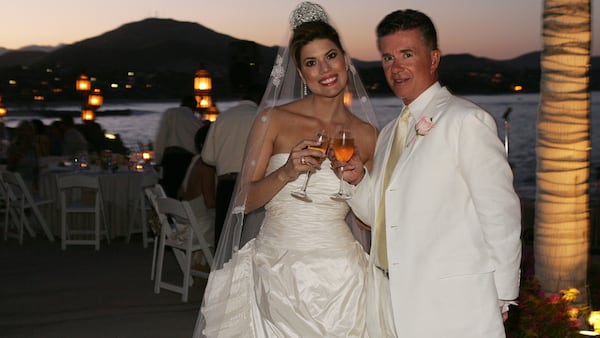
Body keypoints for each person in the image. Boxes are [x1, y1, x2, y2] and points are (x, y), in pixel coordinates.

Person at [193, 2, 378, 337]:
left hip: (342, 273)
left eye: (330, 56)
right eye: (311, 62)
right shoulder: (273, 120)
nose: (325, 69)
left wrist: (356, 181)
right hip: (275, 268)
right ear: (301, 73)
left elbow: (367, 221)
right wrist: (285, 173)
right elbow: (242, 202)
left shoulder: (366, 135)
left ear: (345, 59)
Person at [337, 9, 522, 337]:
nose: (396, 67)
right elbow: (377, 217)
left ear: (433, 58)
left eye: (407, 54)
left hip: (448, 304)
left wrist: (503, 294)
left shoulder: (466, 121)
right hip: (386, 298)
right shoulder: (389, 133)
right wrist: (357, 181)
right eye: (388, 57)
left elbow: (500, 215)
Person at [201, 84, 262, 248]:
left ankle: (223, 272)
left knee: (225, 241)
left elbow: (207, 157)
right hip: (254, 185)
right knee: (251, 241)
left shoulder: (222, 118)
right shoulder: (262, 118)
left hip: (226, 185)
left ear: (241, 98)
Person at [154, 95, 202, 198]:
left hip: (170, 158)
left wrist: (157, 160)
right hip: (189, 160)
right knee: (182, 193)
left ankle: (167, 213)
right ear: (195, 107)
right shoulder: (197, 122)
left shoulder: (170, 112)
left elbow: (161, 137)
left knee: (167, 192)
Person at [181, 124, 216, 256]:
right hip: (200, 227)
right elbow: (210, 203)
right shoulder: (206, 167)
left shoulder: (194, 162)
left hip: (187, 221)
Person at [7, 120, 40, 193]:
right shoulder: (13, 147)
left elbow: (36, 169)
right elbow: (9, 168)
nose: (26, 133)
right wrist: (21, 151)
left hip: (30, 183)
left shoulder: (33, 148)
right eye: (23, 130)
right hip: (16, 185)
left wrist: (36, 184)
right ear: (19, 132)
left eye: (28, 131)